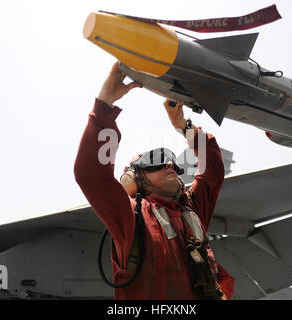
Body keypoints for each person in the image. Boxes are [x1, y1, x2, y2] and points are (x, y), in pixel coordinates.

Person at [74, 62, 234, 300]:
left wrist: (184, 127)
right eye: (156, 160)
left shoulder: (191, 208)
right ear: (136, 178)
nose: (170, 163)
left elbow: (211, 169)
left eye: (170, 158)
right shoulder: (130, 216)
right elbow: (92, 175)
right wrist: (105, 105)